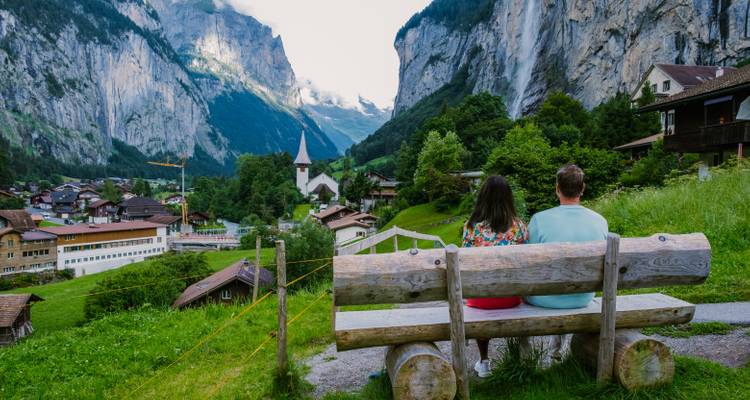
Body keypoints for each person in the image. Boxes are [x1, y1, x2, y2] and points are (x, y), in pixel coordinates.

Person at [524, 164, 608, 358]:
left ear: (557, 189)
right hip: (583, 297)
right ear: (583, 188)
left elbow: (530, 262)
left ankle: (527, 356)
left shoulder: (539, 219)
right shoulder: (600, 220)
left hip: (545, 298)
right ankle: (556, 348)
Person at [462, 175, 528, 378]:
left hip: (481, 299)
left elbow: (464, 264)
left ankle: (484, 362)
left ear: (483, 198)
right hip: (511, 298)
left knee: (479, 294)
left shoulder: (472, 228)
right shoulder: (519, 227)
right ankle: (522, 359)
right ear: (508, 199)